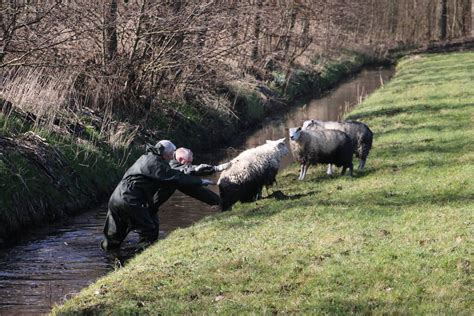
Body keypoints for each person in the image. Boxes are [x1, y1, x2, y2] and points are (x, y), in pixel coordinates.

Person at [101, 140, 214, 251]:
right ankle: (140, 255)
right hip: (130, 201)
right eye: (171, 154)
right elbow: (175, 178)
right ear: (165, 153)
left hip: (115, 199)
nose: (171, 157)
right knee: (149, 229)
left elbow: (175, 173)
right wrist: (200, 182)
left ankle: (109, 259)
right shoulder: (156, 163)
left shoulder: (145, 158)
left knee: (113, 237)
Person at [152, 147, 230, 209]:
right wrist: (200, 180)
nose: (190, 164)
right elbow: (179, 172)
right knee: (151, 209)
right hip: (152, 193)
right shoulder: (168, 161)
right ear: (180, 159)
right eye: (188, 162)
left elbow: (188, 170)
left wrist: (215, 168)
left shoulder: (176, 157)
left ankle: (220, 203)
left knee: (192, 185)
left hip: (169, 186)